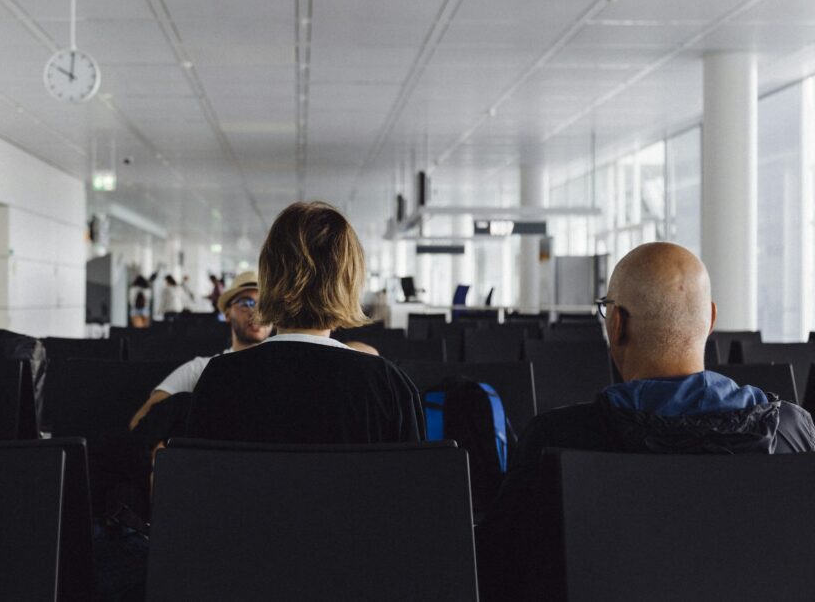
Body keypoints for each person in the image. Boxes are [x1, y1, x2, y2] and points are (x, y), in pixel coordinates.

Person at [476, 242, 815, 601]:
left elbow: (495, 572)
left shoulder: (557, 439)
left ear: (617, 324)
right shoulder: (791, 430)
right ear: (711, 320)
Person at [185, 201, 424, 444]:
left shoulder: (220, 378)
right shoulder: (389, 388)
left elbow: (197, 478)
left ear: (268, 277)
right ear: (350, 282)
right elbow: (411, 480)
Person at [128, 271, 271, 430]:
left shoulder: (281, 372)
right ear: (227, 313)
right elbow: (140, 420)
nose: (256, 313)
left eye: (264, 305)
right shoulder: (200, 368)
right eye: (246, 303)